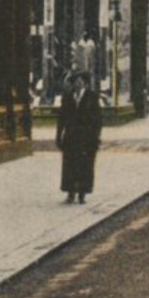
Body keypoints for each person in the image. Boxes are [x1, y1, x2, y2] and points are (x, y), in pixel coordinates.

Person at [56, 71, 102, 204]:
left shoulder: (92, 97)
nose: (77, 83)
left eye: (80, 81)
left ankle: (82, 193)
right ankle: (70, 193)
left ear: (85, 83)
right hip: (71, 137)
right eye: (75, 81)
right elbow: (62, 118)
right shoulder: (68, 97)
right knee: (70, 165)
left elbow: (97, 120)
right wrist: (59, 136)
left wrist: (96, 137)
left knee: (85, 165)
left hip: (87, 138)